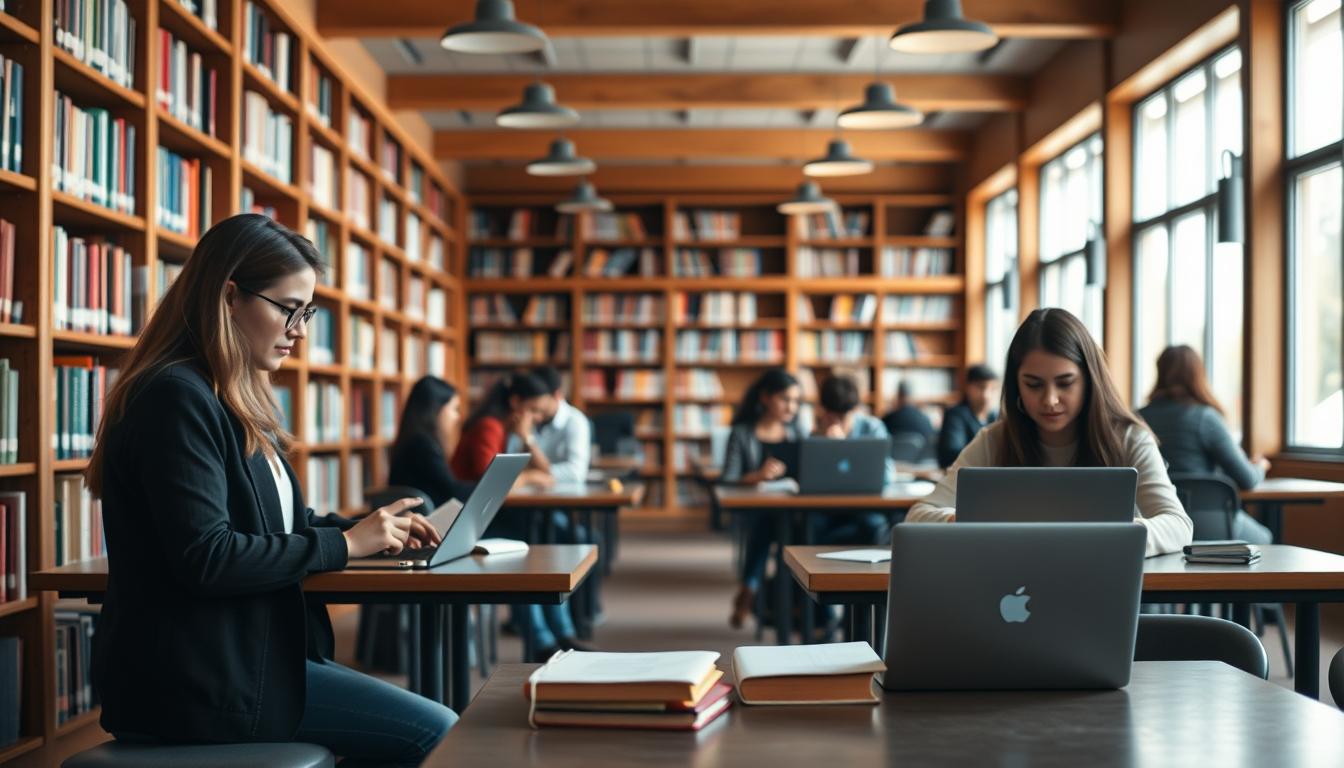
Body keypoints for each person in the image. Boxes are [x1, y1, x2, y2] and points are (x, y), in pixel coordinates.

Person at [85, 214, 454, 765]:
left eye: (307, 313)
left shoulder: (230, 398)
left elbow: (273, 525)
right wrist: (345, 546)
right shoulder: (175, 397)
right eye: (289, 309)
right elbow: (208, 557)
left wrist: (362, 531)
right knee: (441, 731)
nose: (301, 330)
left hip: (250, 659)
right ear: (229, 295)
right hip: (200, 681)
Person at [908, 308, 1193, 557]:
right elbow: (918, 517)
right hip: (1011, 592)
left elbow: (1178, 525)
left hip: (1106, 586)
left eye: (1065, 383)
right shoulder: (995, 440)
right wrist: (970, 522)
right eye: (1033, 385)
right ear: (1016, 385)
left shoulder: (1129, 438)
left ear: (1089, 382)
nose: (1050, 400)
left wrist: (1114, 534)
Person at [451, 372, 588, 660]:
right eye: (533, 411)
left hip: (488, 515)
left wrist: (526, 465)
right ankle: (545, 640)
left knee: (540, 551)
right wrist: (528, 476)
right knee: (526, 561)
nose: (537, 418)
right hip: (468, 522)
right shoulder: (490, 427)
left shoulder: (504, 427)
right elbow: (493, 481)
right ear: (516, 404)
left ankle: (560, 635)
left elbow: (521, 474)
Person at [1138, 345, 1273, 544]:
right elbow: (1247, 478)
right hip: (1209, 521)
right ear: (1197, 375)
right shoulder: (1205, 418)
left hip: (1156, 525)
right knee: (1266, 538)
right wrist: (1260, 466)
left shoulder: (1137, 418)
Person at [723, 369, 805, 629]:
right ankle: (763, 592)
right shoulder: (742, 433)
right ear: (765, 397)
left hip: (794, 510)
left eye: (796, 401)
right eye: (785, 399)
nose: (791, 407)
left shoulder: (798, 434)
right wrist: (757, 476)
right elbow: (728, 477)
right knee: (768, 524)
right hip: (756, 509)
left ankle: (754, 587)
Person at [811, 375, 895, 545]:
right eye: (833, 416)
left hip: (865, 505)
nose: (839, 423)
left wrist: (842, 445)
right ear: (824, 411)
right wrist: (824, 444)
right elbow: (811, 479)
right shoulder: (816, 435)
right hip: (827, 506)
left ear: (855, 410)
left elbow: (886, 476)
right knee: (811, 524)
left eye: (844, 417)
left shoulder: (872, 427)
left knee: (874, 524)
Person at [388, 375, 476, 507]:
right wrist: (494, 487)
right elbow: (453, 491)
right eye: (454, 409)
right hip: (427, 523)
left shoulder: (413, 441)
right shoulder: (422, 446)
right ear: (436, 409)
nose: (458, 417)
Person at [504, 366, 591, 484]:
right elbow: (511, 471)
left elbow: (576, 473)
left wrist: (531, 476)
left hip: (564, 497)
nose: (536, 416)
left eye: (537, 409)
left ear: (556, 395)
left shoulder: (576, 421)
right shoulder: (525, 416)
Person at [937, 363, 1001, 468]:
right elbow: (952, 453)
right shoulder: (955, 415)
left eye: (993, 389)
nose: (987, 395)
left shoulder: (996, 416)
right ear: (968, 387)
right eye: (981, 387)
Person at [881, 381, 934, 448]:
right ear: (913, 396)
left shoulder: (888, 419)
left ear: (898, 396)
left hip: (894, 457)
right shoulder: (925, 420)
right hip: (919, 458)